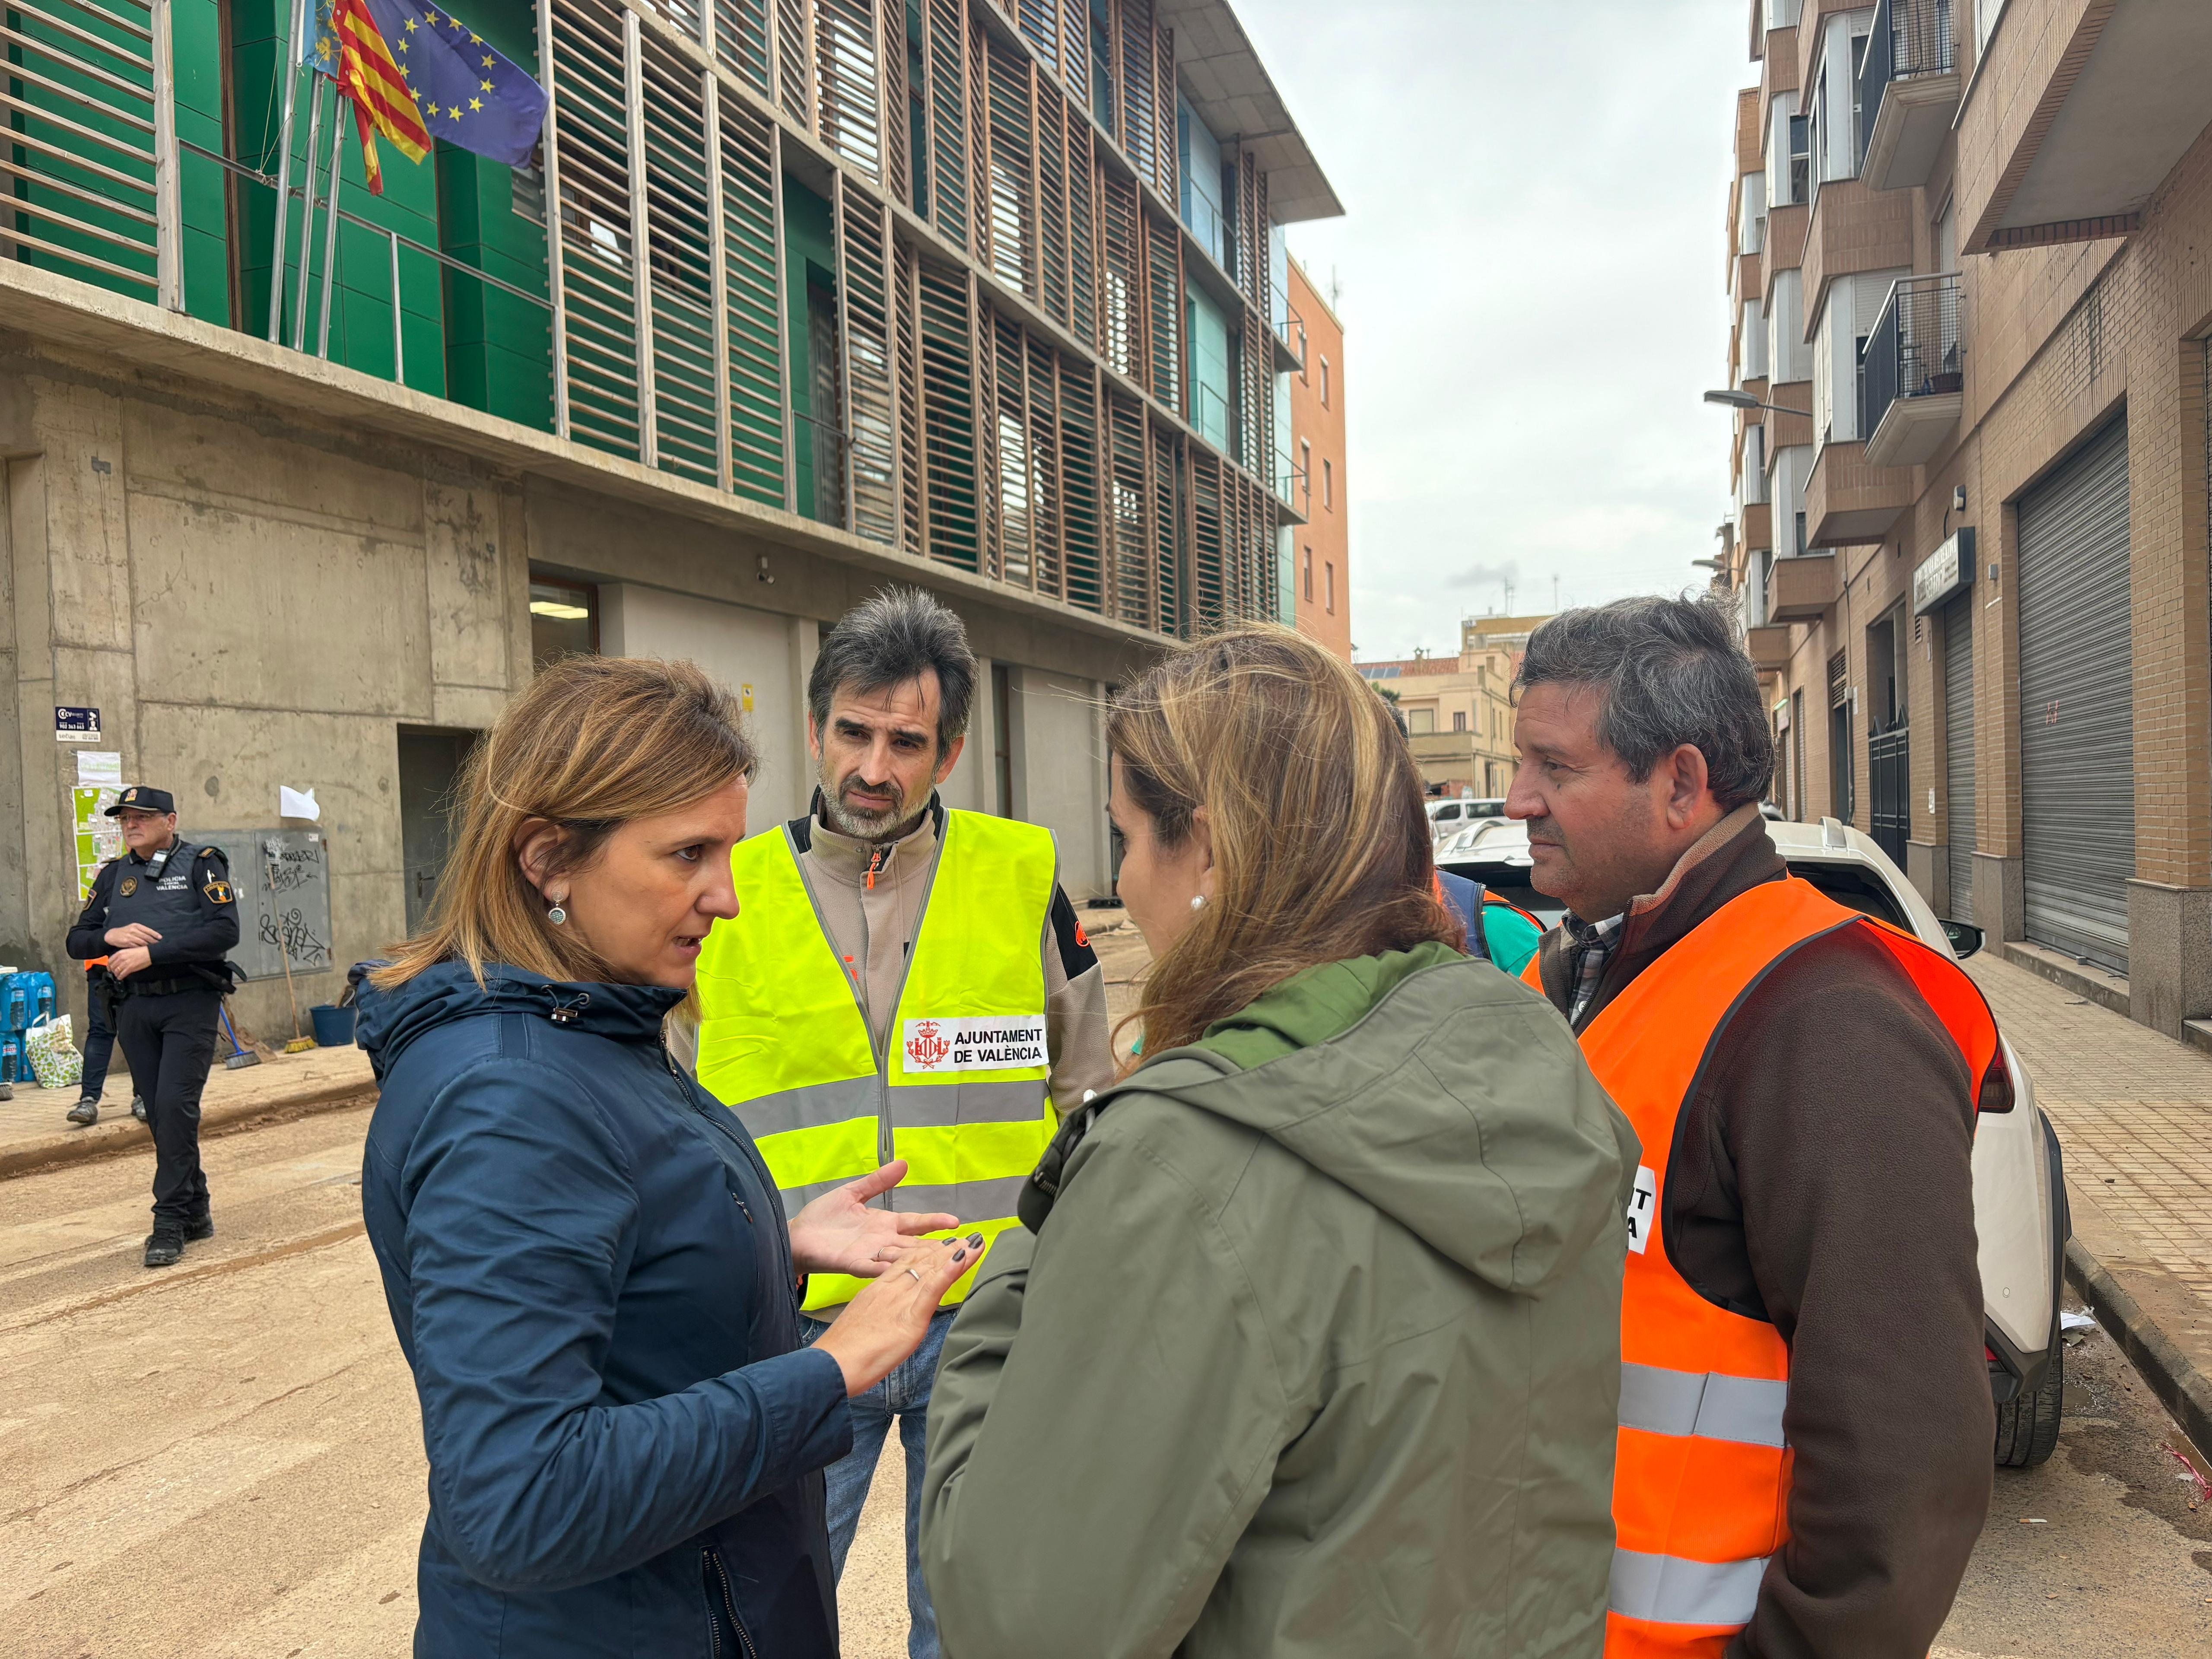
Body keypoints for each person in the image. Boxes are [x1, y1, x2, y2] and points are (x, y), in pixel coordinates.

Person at [918, 625, 1638, 1657]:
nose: (1127, 882)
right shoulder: (1526, 1059)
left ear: (1209, 848)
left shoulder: (1184, 1160)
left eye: (1128, 838)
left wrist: (1027, 1255)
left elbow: (1018, 1622)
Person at [355, 655, 976, 1659]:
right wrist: (830, 1370)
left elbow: (612, 1275)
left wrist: (767, 1245)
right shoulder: (508, 1100)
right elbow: (519, 1497)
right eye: (688, 854)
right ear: (548, 859)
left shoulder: (591, 1021)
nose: (725, 898)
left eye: (726, 850)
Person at [1506, 595, 2003, 1656]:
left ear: (1680, 784)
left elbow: (1905, 1449)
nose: (1518, 800)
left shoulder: (1823, 1019)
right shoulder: (1587, 974)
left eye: (1553, 766)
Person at [694, 586, 1114, 1659]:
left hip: (985, 1327)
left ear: (951, 751)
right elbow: (667, 1123)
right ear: (813, 729)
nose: (874, 768)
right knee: (767, 1621)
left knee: (970, 1627)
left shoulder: (1021, 879)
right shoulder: (726, 891)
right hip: (796, 1334)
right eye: (854, 732)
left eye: (907, 742)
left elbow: (1088, 1102)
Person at [65, 787, 240, 1266]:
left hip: (190, 1002)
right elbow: (76, 940)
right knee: (162, 1115)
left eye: (142, 816)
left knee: (175, 1107)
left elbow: (225, 930)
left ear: (170, 821)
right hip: (134, 1008)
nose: (132, 825)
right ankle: (196, 1208)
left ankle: (169, 1222)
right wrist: (110, 936)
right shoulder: (112, 875)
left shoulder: (202, 863)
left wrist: (152, 953)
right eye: (125, 819)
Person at [63, 942, 145, 1128]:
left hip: (136, 962)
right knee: (100, 1031)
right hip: (100, 964)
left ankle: (144, 1096)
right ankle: (88, 1100)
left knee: (136, 1031)